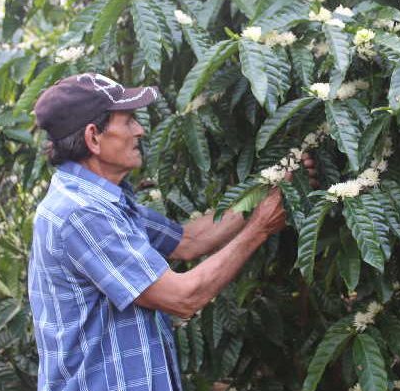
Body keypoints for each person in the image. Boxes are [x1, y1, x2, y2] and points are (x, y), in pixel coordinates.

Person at [27, 73, 307, 391]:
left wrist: (268, 186)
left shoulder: (100, 198)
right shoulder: (82, 213)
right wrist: (260, 227)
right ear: (93, 137)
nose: (140, 130)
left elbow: (188, 241)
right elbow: (182, 297)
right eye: (129, 120)